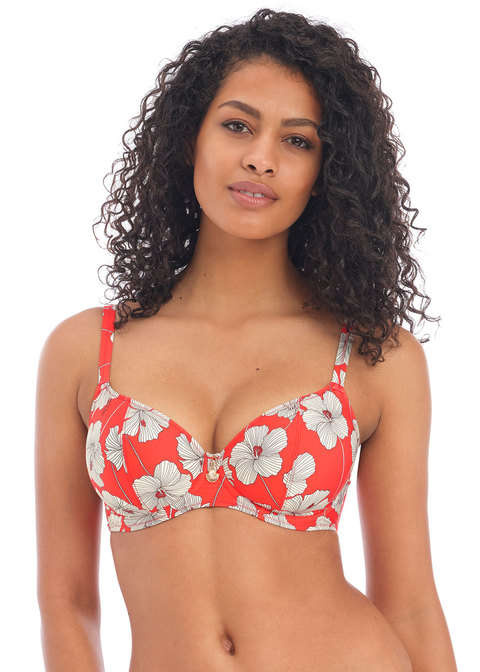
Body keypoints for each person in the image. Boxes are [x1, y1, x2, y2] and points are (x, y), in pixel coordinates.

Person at [35, 8, 457, 671]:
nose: (261, 158)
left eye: (298, 141)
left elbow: (409, 605)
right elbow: (67, 602)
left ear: (328, 171)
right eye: (237, 126)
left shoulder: (375, 355)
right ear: (189, 139)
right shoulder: (86, 349)